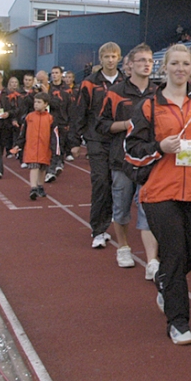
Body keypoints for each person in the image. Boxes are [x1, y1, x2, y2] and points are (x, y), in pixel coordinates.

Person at [125, 45, 191, 345]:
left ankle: (164, 281)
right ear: (165, 68)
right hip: (161, 192)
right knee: (174, 252)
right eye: (174, 63)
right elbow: (131, 152)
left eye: (185, 63)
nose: (179, 68)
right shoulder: (149, 105)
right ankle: (179, 321)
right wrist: (159, 148)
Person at [100, 44, 159, 272]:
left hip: (149, 159)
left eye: (150, 61)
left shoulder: (158, 93)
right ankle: (123, 247)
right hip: (122, 160)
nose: (146, 64)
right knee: (121, 207)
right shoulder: (115, 92)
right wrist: (126, 125)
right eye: (142, 60)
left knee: (148, 208)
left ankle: (152, 260)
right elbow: (102, 124)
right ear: (130, 64)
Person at [76, 43, 124, 248]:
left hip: (119, 138)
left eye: (114, 56)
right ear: (100, 59)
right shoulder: (89, 83)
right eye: (106, 56)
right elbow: (79, 111)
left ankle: (113, 218)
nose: (110, 60)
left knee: (119, 184)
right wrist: (75, 140)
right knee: (100, 182)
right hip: (96, 138)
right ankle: (98, 229)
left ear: (119, 58)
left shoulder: (126, 82)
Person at [11, 92, 57, 200]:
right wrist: (18, 145)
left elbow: (54, 136)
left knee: (42, 168)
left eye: (39, 102)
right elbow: (23, 133)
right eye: (35, 102)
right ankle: (33, 188)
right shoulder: (29, 117)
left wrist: (55, 149)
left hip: (44, 148)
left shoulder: (50, 119)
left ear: (46, 104)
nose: (36, 104)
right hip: (31, 147)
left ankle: (40, 186)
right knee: (34, 167)